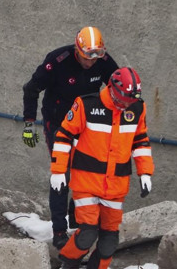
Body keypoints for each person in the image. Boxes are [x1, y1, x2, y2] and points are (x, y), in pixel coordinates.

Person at [50, 67, 154, 269]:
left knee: (109, 240)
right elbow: (63, 135)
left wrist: (145, 172)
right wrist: (58, 171)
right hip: (86, 181)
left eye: (130, 100)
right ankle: (69, 261)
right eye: (123, 100)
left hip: (116, 185)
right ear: (112, 89)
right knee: (87, 232)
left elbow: (140, 141)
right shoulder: (86, 105)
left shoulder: (137, 108)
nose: (125, 105)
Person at [22, 26, 119, 249]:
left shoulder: (103, 62)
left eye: (95, 58)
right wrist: (29, 124)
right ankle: (59, 230)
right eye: (86, 57)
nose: (91, 62)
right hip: (58, 122)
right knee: (62, 175)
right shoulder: (58, 61)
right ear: (77, 50)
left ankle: (79, 223)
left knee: (87, 173)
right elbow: (31, 89)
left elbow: (117, 87)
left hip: (87, 123)